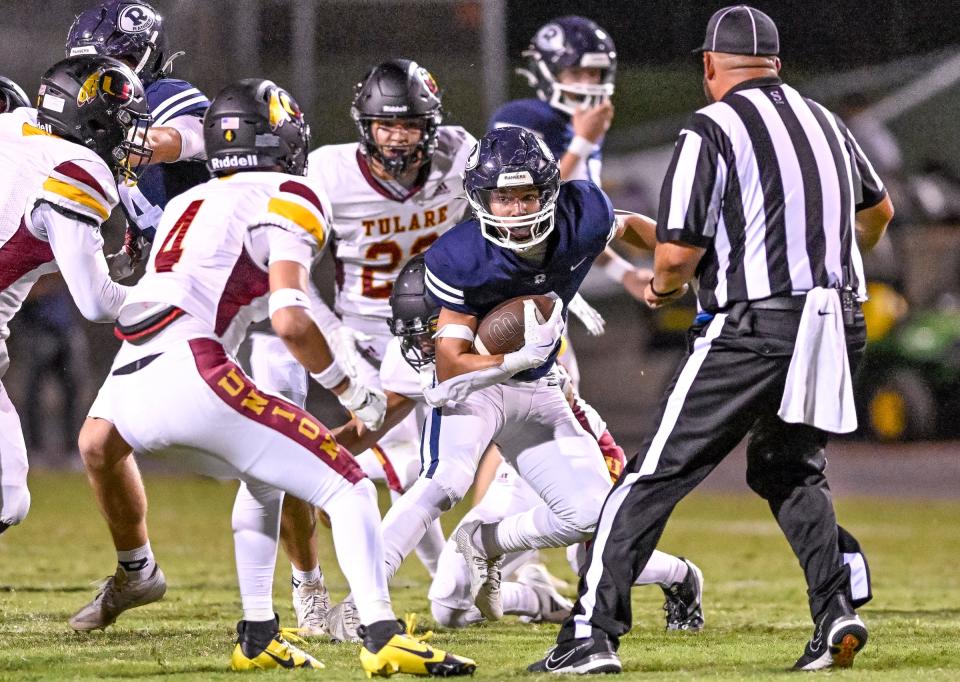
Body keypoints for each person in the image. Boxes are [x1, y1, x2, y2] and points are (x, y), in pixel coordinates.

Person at [69, 77, 476, 675]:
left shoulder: (188, 201)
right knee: (349, 486)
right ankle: (383, 636)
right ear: (283, 136)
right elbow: (290, 317)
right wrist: (348, 389)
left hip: (129, 378)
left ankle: (257, 633)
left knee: (265, 479)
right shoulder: (290, 191)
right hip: (195, 372)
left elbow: (97, 444)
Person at [529, 6, 892, 674]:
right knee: (788, 466)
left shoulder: (712, 126)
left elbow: (677, 259)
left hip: (757, 324)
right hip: (839, 318)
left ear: (708, 65)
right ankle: (836, 608)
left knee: (653, 475)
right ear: (776, 63)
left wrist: (662, 290)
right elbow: (879, 214)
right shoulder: (825, 120)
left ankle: (591, 633)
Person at [329, 255, 703, 632]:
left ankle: (680, 575)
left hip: (563, 443)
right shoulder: (410, 358)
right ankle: (537, 601)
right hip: (516, 467)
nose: (425, 348)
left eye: (432, 333)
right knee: (449, 607)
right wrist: (315, 453)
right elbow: (376, 423)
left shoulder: (515, 335)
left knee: (591, 557)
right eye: (416, 336)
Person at [238, 58, 474, 637]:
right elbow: (288, 272)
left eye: (411, 126)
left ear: (433, 125)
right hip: (354, 335)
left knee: (417, 467)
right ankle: (314, 583)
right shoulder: (327, 173)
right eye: (386, 126)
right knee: (298, 462)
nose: (398, 138)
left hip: (432, 334)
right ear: (363, 124)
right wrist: (333, 341)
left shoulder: (459, 157)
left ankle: (460, 585)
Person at [0, 55, 147, 534]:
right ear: (93, 118)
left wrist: (117, 265)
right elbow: (98, 301)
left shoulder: (16, 125)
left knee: (7, 497)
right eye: (122, 123)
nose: (129, 138)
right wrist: (176, 302)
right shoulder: (76, 168)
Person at [490, 15, 648, 298]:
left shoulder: (583, 132)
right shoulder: (520, 119)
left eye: (594, 73)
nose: (588, 83)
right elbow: (523, 206)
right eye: (576, 73)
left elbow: (570, 224)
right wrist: (581, 144)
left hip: (545, 283)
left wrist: (625, 274)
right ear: (546, 72)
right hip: (504, 281)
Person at [66, 0, 211, 274]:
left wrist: (115, 144)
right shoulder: (101, 119)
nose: (92, 78)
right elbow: (145, 188)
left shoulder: (162, 94)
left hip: (219, 257)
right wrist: (134, 241)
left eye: (105, 64)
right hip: (182, 267)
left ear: (143, 58)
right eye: (84, 67)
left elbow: (186, 138)